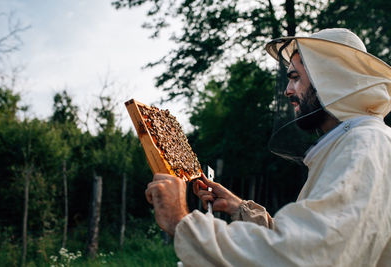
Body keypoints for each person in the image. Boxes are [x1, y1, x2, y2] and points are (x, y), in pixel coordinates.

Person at [145, 28, 391, 266]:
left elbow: (304, 257)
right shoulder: (352, 143)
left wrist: (181, 222)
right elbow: (310, 241)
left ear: (330, 79)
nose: (287, 90)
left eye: (295, 78)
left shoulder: (364, 145)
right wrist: (241, 209)